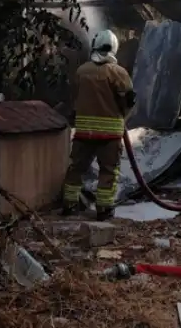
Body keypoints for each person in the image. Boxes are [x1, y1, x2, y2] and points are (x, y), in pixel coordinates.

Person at [62, 29, 136, 221]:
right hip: (110, 135)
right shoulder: (119, 73)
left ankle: (69, 204)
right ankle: (103, 210)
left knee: (76, 168)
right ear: (114, 48)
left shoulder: (81, 71)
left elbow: (74, 98)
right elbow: (129, 102)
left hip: (84, 132)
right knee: (108, 171)